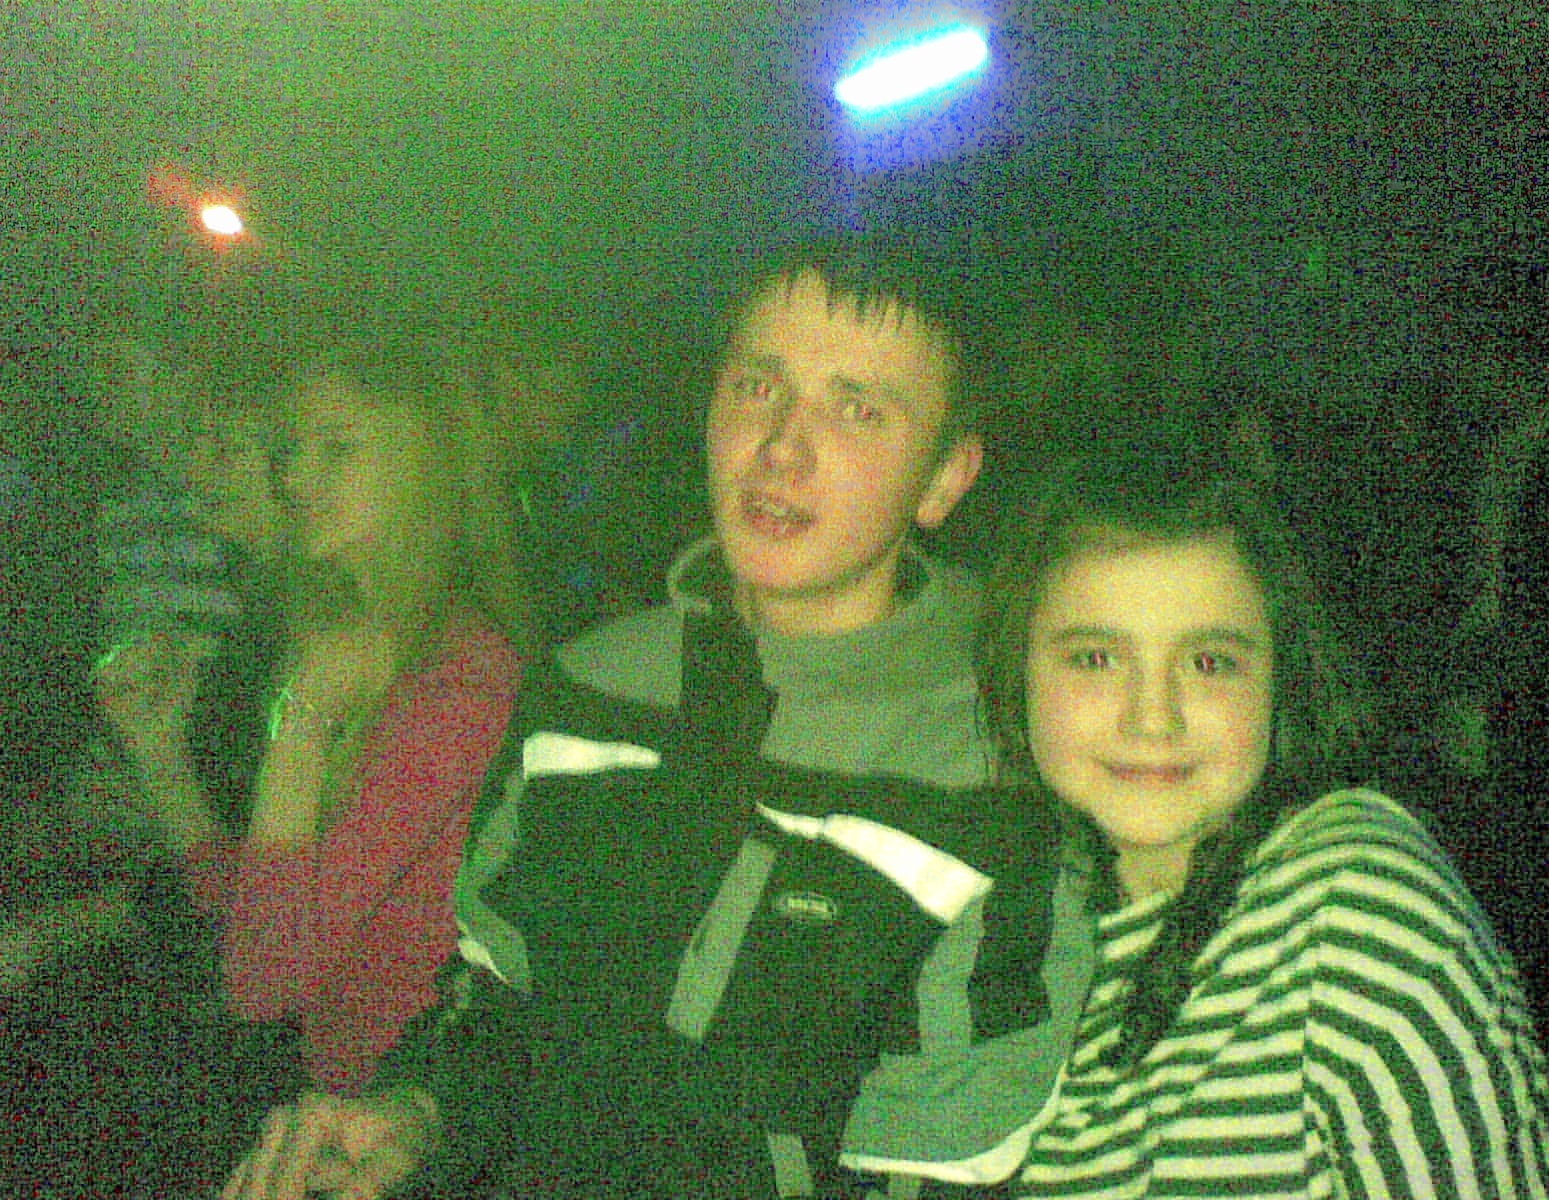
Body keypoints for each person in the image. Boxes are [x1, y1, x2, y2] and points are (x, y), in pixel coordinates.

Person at [221, 235, 1097, 1200]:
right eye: (759, 386)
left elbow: (946, 1166)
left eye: (857, 409)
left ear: (944, 478)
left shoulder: (1003, 771)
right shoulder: (588, 686)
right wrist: (418, 1115)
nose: (782, 447)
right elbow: (496, 1004)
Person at [975, 437, 1549, 1197]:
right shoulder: (996, 922)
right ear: (1018, 669)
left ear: (1281, 679)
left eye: (1209, 662)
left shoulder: (1356, 912)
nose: (1153, 718)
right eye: (1096, 658)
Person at [99, 338, 529, 1109]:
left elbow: (263, 980)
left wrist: (304, 722)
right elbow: (253, 916)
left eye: (337, 449)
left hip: (377, 1121)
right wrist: (160, 754)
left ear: (425, 464)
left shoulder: (462, 681)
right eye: (294, 449)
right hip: (308, 1085)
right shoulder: (343, 634)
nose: (296, 477)